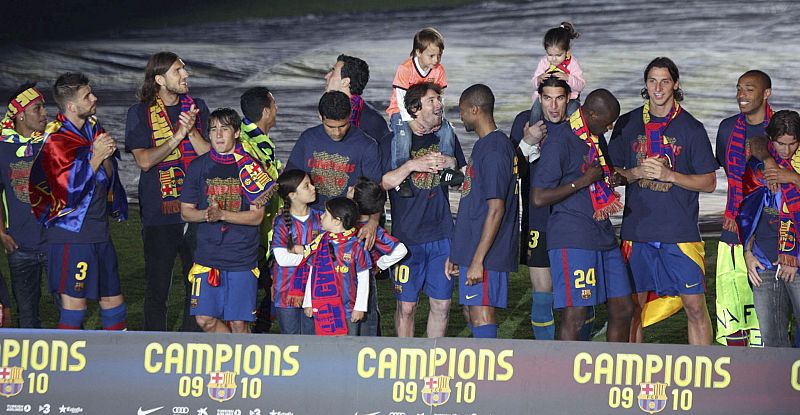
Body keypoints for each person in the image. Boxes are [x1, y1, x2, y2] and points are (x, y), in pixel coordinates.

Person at [610, 57, 717, 345]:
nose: (658, 88)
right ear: (645, 84)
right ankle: (632, 377)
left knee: (695, 307)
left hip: (679, 233)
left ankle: (702, 375)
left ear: (676, 84)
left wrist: (670, 175)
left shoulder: (691, 127)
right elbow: (610, 175)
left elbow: (709, 182)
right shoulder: (627, 123)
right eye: (652, 81)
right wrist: (633, 172)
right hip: (637, 232)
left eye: (665, 81)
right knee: (633, 309)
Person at [532, 89, 633, 341]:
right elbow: (538, 197)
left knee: (623, 308)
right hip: (572, 237)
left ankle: (613, 375)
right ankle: (565, 377)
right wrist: (582, 181)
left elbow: (602, 174)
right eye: (607, 121)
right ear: (590, 113)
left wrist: (614, 178)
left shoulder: (594, 137)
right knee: (576, 313)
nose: (610, 127)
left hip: (602, 234)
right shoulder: (560, 141)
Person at [29, 72, 128, 330]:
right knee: (75, 307)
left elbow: (107, 176)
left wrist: (105, 156)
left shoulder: (94, 128)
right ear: (71, 106)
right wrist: (95, 156)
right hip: (71, 235)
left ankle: (118, 365)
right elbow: (67, 192)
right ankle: (68, 368)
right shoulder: (56, 140)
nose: (94, 98)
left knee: (114, 302)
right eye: (88, 95)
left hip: (99, 232)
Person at [125, 51, 210, 332]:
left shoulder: (196, 106)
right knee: (157, 286)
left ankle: (190, 343)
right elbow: (145, 160)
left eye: (184, 69)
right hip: (159, 212)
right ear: (159, 79)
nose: (185, 75)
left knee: (196, 284)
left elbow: (209, 157)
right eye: (178, 71)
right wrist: (177, 136)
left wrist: (192, 131)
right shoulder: (139, 112)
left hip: (195, 211)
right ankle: (154, 344)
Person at [511, 76, 595, 340]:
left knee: (580, 296)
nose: (554, 106)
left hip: (576, 222)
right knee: (542, 291)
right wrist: (526, 142)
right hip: (538, 219)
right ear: (539, 98)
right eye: (547, 98)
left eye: (560, 98)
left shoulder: (580, 126)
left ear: (569, 98)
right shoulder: (525, 123)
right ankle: (547, 357)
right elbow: (510, 172)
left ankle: (582, 355)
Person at [381, 82, 466, 337]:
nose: (439, 104)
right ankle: (406, 361)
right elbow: (383, 182)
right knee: (407, 307)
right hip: (407, 238)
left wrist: (450, 163)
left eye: (439, 99)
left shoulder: (446, 136)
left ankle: (431, 362)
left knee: (442, 304)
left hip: (442, 235)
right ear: (415, 108)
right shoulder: (393, 141)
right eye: (432, 100)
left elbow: (462, 177)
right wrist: (411, 165)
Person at [180, 108, 274, 334]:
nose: (218, 135)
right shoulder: (198, 166)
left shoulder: (251, 166)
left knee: (240, 323)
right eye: (213, 130)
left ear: (237, 133)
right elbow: (185, 212)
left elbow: (256, 216)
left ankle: (242, 367)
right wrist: (207, 215)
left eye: (225, 129)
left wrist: (221, 214)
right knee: (204, 320)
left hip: (241, 256)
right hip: (207, 256)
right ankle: (227, 360)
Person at [445, 84, 519, 339]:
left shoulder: (496, 150)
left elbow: (496, 209)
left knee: (481, 312)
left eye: (463, 111)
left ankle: (487, 377)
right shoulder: (483, 146)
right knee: (470, 310)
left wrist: (477, 260)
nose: (461, 116)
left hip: (487, 254)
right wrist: (461, 253)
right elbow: (473, 202)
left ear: (475, 109)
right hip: (473, 249)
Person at [714, 70, 773, 346]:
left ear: (766, 94)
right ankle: (735, 380)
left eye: (749, 89)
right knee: (732, 310)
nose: (741, 95)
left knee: (767, 317)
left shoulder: (781, 129)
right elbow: (728, 171)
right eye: (739, 89)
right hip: (733, 228)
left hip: (770, 232)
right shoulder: (727, 129)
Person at [286, 91, 382, 249]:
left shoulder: (367, 145)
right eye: (330, 127)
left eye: (342, 126)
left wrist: (373, 222)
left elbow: (374, 191)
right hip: (310, 217)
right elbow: (291, 180)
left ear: (350, 115)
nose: (337, 132)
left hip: (347, 222)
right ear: (320, 116)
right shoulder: (308, 139)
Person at [739, 110, 800, 347]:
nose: (786, 150)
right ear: (771, 140)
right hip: (763, 260)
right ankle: (778, 384)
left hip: (796, 263)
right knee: (772, 340)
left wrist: (792, 178)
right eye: (780, 144)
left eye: (792, 144)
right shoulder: (759, 165)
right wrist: (748, 253)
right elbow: (746, 212)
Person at [386, 27, 460, 196]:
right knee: (403, 135)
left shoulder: (439, 70)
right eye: (432, 55)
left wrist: (438, 118)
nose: (436, 59)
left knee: (447, 130)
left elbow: (440, 97)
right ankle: (401, 176)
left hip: (426, 111)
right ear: (418, 52)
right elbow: (400, 96)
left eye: (439, 55)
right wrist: (411, 121)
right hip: (401, 111)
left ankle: (445, 170)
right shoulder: (405, 69)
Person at [0, 83, 49, 328]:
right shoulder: (2, 147)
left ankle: (76, 364)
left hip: (56, 241)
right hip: (20, 244)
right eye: (37, 109)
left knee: (70, 307)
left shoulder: (53, 141)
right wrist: (0, 232)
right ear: (20, 114)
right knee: (27, 314)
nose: (44, 113)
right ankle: (29, 366)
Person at [240, 86, 283, 333]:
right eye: (275, 106)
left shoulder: (259, 141)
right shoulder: (246, 144)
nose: (277, 111)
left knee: (272, 287)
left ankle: (260, 330)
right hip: (252, 230)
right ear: (266, 112)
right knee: (254, 290)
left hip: (266, 229)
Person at [300, 197, 372, 336]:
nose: (321, 216)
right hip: (323, 307)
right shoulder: (320, 243)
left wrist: (360, 307)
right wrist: (309, 302)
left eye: (326, 214)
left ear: (337, 220)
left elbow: (364, 279)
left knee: (348, 347)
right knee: (323, 346)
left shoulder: (356, 246)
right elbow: (312, 274)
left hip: (347, 309)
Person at [350, 177, 408, 335]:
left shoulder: (369, 230)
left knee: (367, 320)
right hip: (344, 280)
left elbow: (400, 250)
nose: (348, 189)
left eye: (352, 189)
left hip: (363, 282)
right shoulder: (349, 222)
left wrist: (376, 265)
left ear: (356, 202)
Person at [271, 169, 320, 335]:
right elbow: (282, 259)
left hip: (315, 292)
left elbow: (329, 253)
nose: (313, 188)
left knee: (313, 342)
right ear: (292, 195)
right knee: (291, 342)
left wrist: (300, 251)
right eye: (307, 186)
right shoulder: (281, 222)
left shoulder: (322, 218)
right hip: (286, 292)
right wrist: (311, 253)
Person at [325, 54, 390, 143]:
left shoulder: (372, 120)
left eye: (333, 71)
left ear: (345, 82)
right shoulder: (330, 110)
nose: (326, 76)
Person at [529, 22, 585, 126]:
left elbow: (581, 85)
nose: (554, 59)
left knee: (573, 112)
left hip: (571, 99)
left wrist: (568, 78)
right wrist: (538, 79)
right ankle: (534, 135)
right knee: (536, 111)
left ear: (567, 50)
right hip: (545, 98)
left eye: (558, 55)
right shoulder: (544, 62)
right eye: (550, 55)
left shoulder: (572, 63)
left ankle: (574, 135)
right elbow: (533, 84)